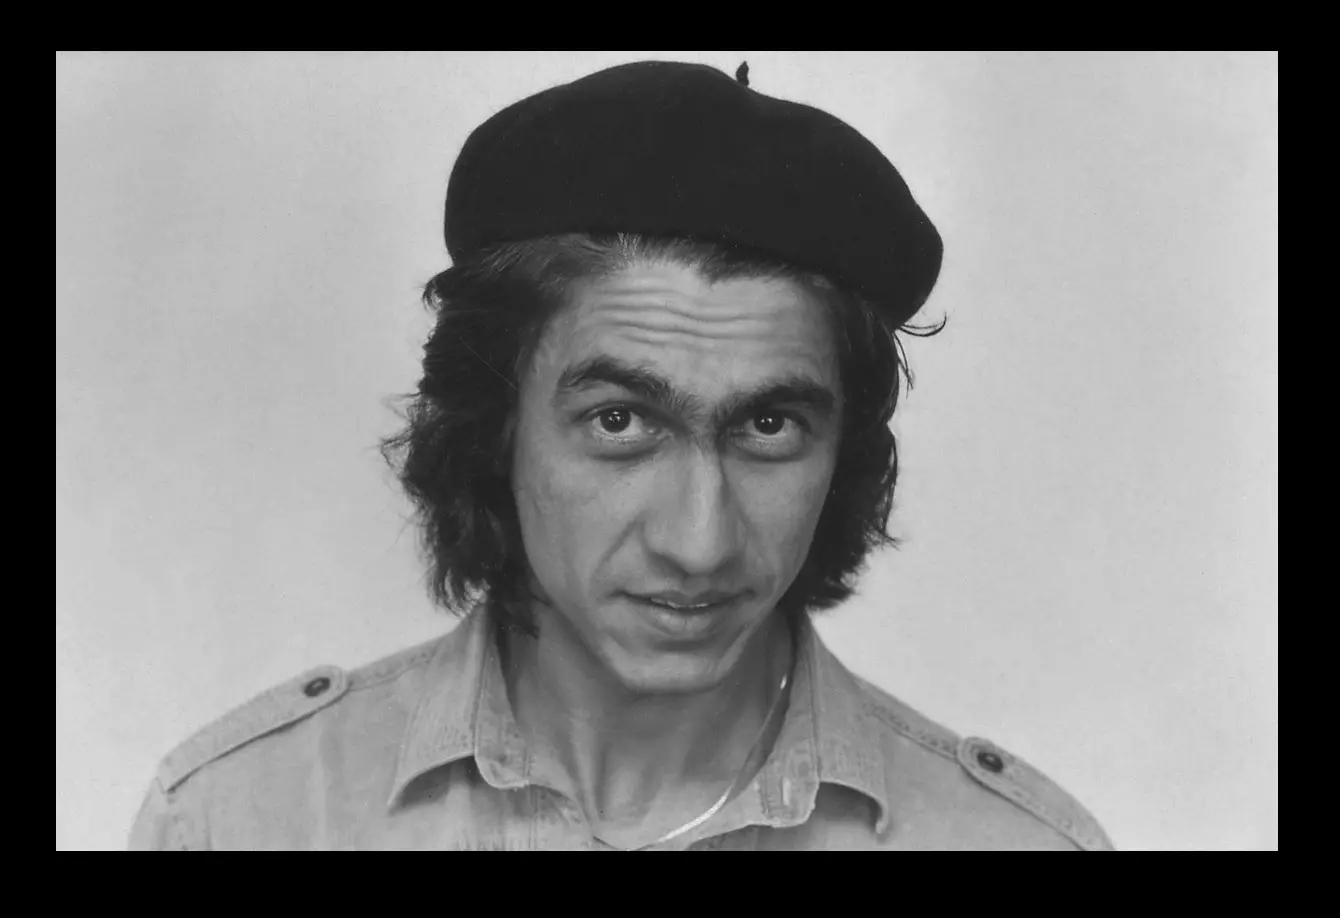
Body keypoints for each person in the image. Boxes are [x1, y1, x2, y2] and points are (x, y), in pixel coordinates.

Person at [129, 60, 1114, 851]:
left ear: (842, 456)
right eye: (618, 422)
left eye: (769, 427)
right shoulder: (241, 818)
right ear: (494, 427)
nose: (698, 543)